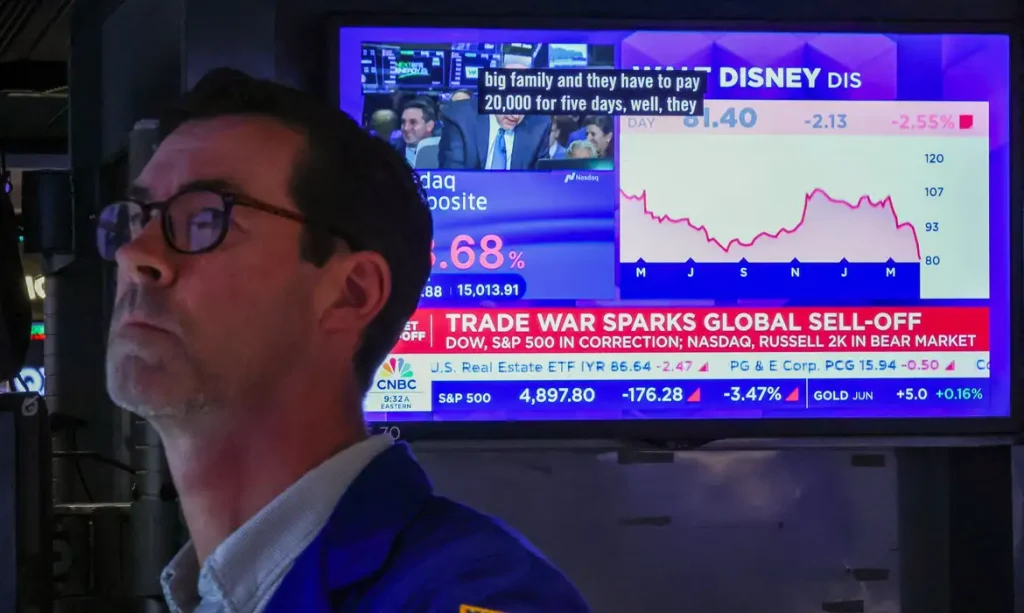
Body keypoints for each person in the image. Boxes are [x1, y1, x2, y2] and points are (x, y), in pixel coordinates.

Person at [98, 67, 589, 613]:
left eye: (205, 218)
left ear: (352, 294)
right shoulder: (211, 594)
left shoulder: (473, 594)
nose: (135, 254)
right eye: (138, 218)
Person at [438, 62, 550, 170]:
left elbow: (540, 182)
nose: (515, 116)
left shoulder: (540, 126)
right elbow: (454, 180)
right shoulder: (461, 118)